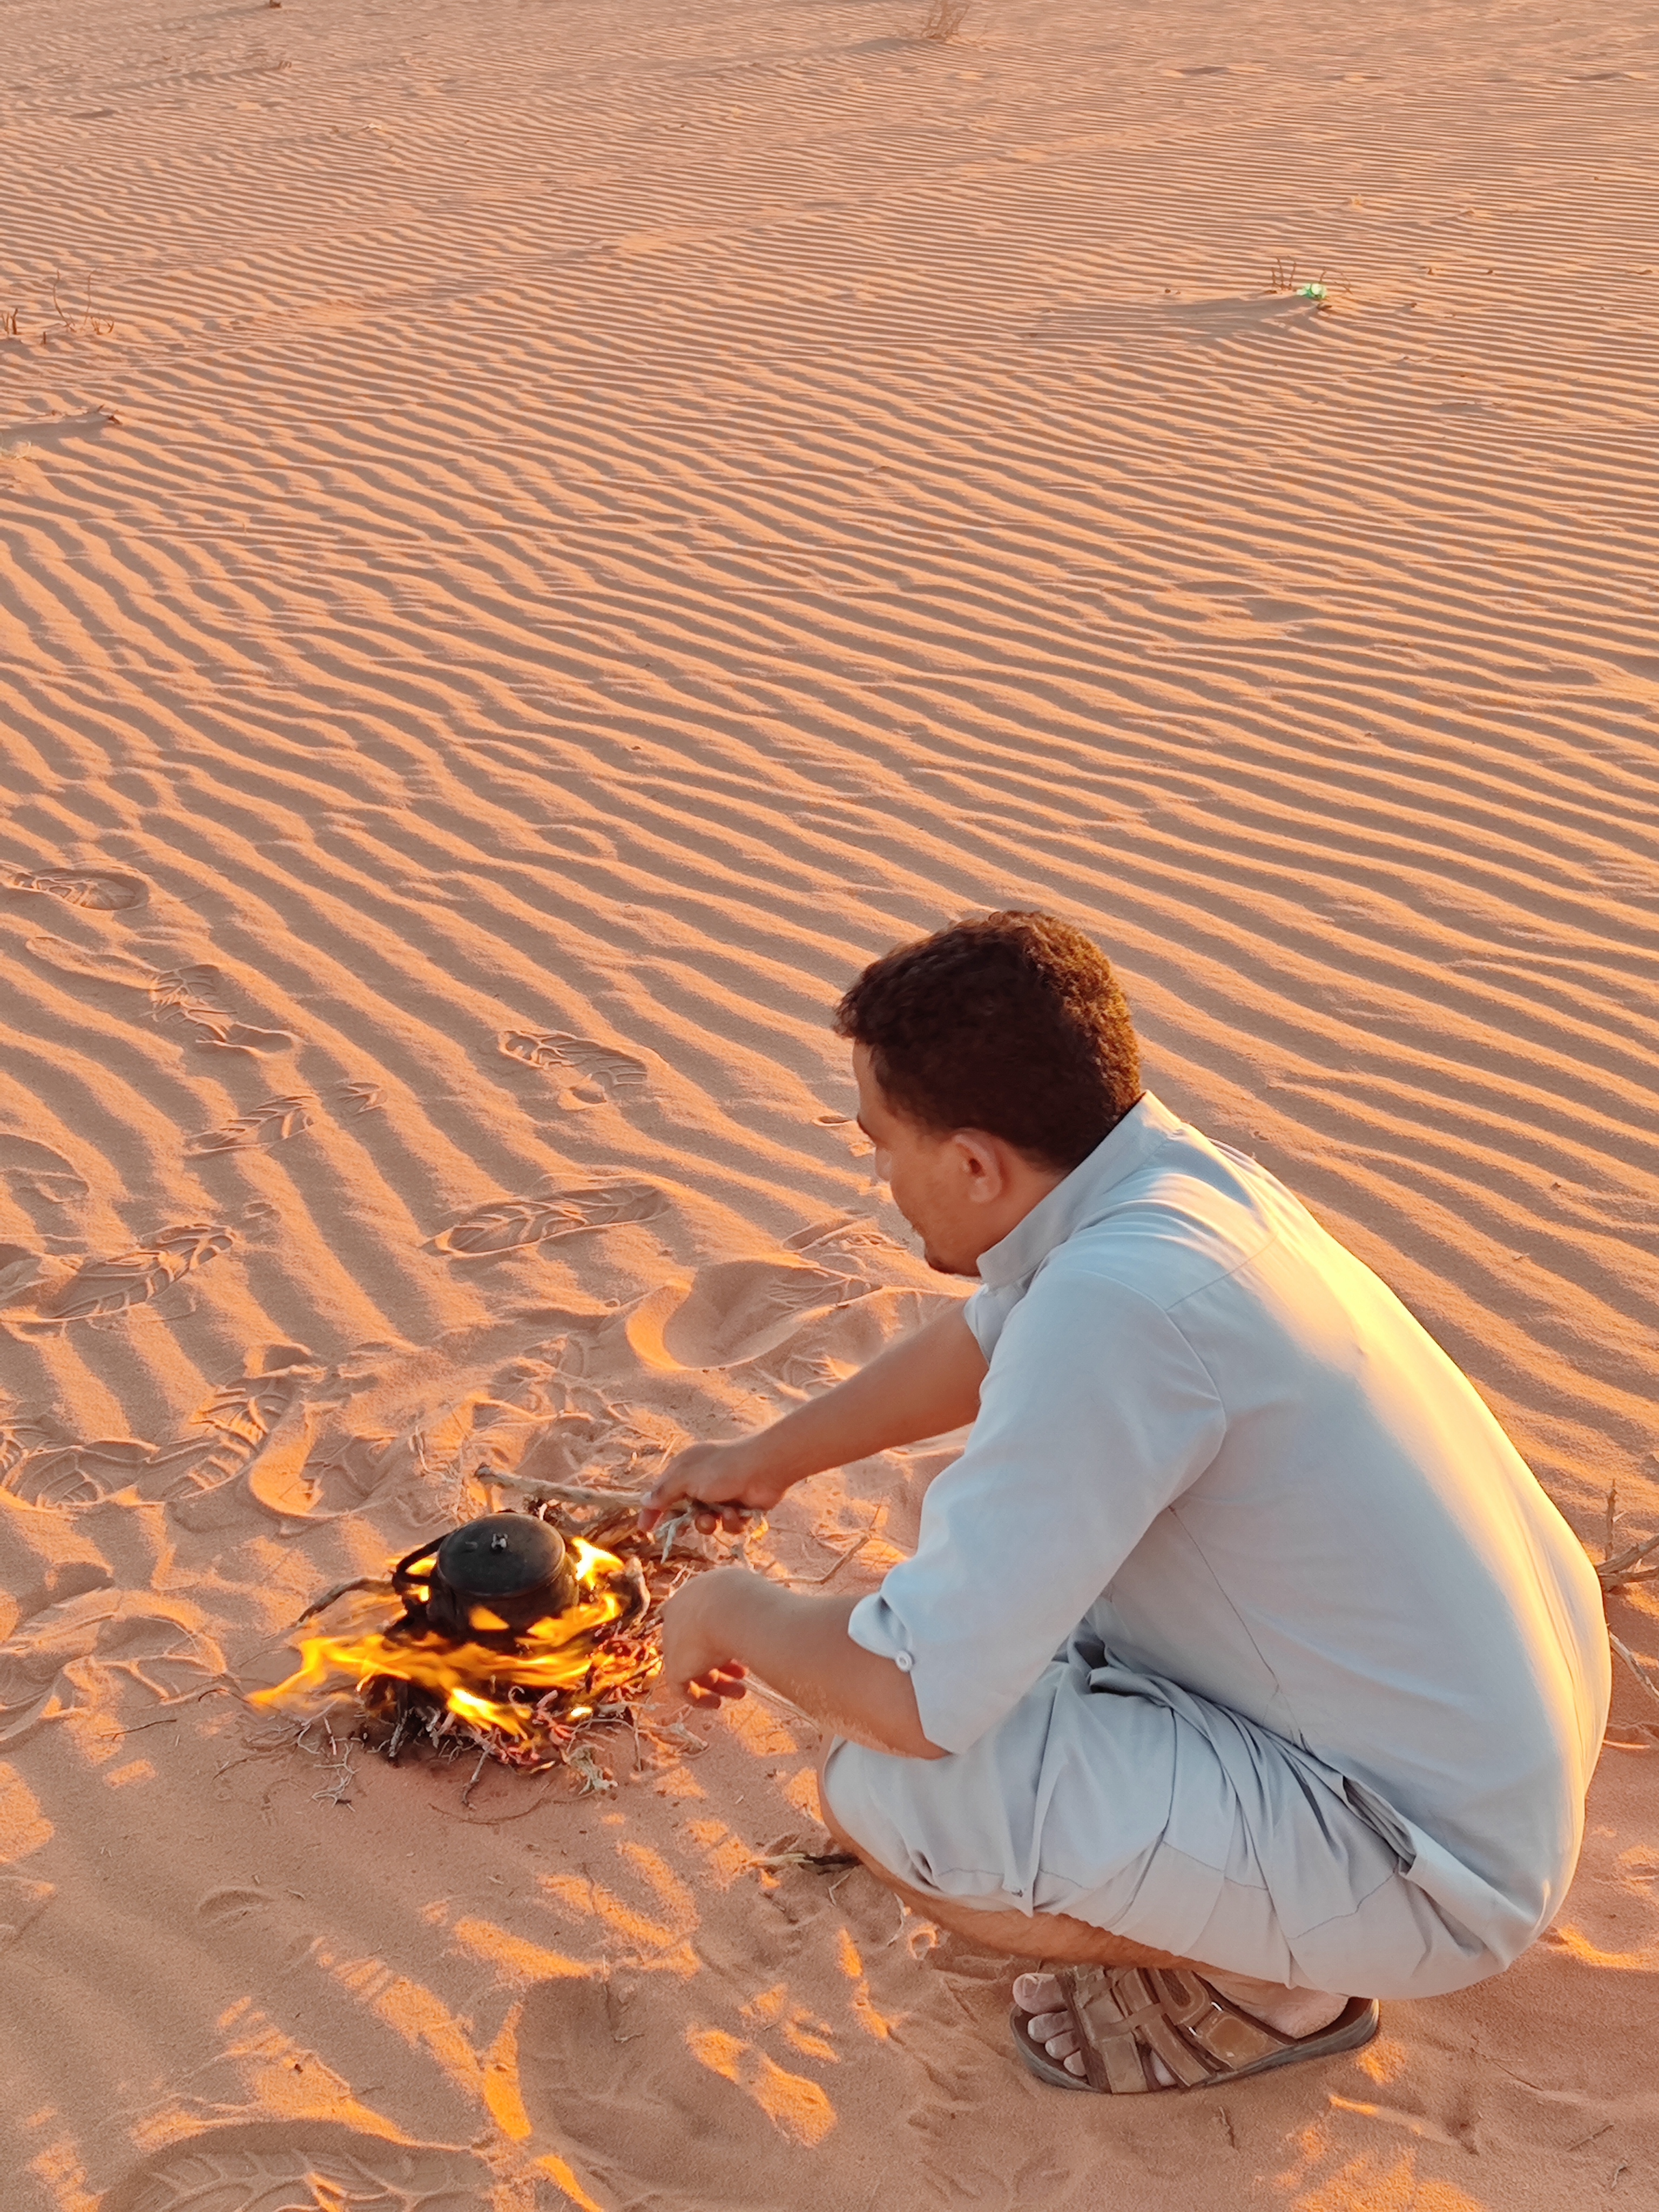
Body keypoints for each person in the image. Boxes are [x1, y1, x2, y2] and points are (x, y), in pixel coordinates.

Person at [641, 911, 1609, 2096]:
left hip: (1432, 1862)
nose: (880, 1177)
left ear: (978, 1164)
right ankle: (1267, 1902)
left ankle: (1278, 1985)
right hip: (1487, 1748)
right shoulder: (1164, 1185)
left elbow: (916, 1699)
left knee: (896, 1792)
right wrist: (771, 1455)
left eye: (881, 1145)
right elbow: (993, 1339)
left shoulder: (1113, 1313)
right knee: (1006, 1620)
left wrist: (732, 1609)